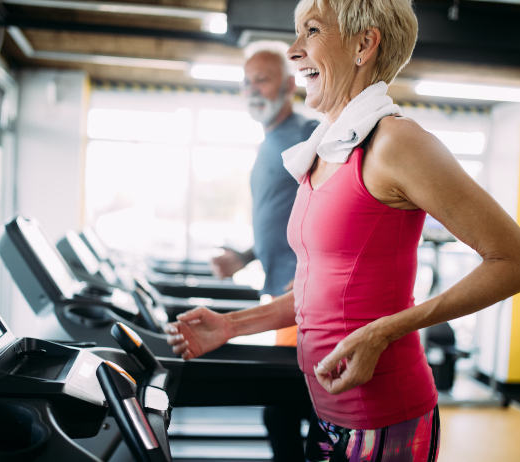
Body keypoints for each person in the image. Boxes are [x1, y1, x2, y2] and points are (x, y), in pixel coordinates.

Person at [167, 0, 520, 460]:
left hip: (384, 414)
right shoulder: (327, 149)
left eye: (310, 31)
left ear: (364, 44)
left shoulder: (396, 143)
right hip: (328, 409)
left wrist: (383, 332)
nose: (295, 51)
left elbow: (510, 259)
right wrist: (230, 326)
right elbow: (321, 291)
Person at [210, 42, 319, 462]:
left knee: (287, 407)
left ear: (290, 85)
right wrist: (245, 257)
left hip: (305, 298)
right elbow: (283, 220)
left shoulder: (306, 135)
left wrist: (314, 268)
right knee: (284, 408)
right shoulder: (270, 141)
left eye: (263, 79)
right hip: (282, 296)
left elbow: (333, 209)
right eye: (246, 81)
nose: (253, 89)